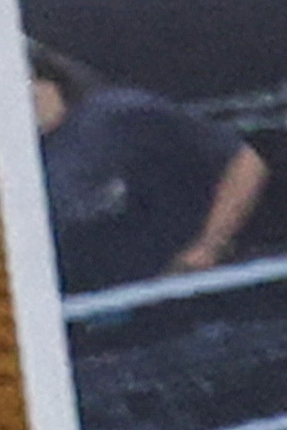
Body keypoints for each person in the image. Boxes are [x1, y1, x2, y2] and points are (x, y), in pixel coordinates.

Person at [28, 44, 274, 286]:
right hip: (105, 308)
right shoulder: (25, 166)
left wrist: (208, 248)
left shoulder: (119, 115)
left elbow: (245, 163)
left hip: (199, 291)